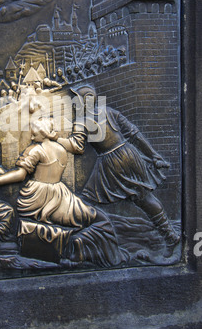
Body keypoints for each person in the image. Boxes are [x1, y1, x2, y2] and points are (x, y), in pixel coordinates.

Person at [0, 117, 129, 268]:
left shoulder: (35, 150)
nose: (31, 136)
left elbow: (20, 174)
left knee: (94, 219)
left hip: (37, 198)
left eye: (34, 133)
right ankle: (88, 248)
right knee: (99, 219)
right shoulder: (61, 149)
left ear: (44, 133)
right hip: (59, 193)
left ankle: (76, 246)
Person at [71, 86, 180, 256]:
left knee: (87, 200)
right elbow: (135, 134)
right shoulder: (110, 112)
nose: (74, 102)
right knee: (143, 198)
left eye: (77, 98)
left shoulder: (83, 121)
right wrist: (153, 155)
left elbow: (77, 148)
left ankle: (93, 241)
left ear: (87, 100)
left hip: (112, 162)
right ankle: (170, 235)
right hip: (129, 154)